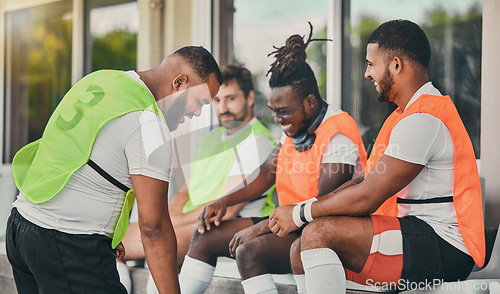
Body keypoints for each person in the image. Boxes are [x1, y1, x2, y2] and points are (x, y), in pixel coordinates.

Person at [268, 19, 486, 294]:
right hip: (417, 234)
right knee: (299, 248)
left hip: (446, 245)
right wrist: (304, 212)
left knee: (317, 234)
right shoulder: (405, 115)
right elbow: (364, 182)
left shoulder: (423, 119)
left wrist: (299, 214)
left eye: (371, 64)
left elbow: (368, 196)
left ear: (396, 65)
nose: (366, 74)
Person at [6, 46, 222, 294]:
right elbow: (154, 229)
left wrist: (112, 234)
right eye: (201, 101)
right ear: (180, 83)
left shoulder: (100, 80)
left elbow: (85, 156)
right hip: (67, 244)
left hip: (22, 227)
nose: (197, 113)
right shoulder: (148, 124)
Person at [178, 24, 367, 294]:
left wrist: (260, 229)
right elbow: (267, 173)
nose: (278, 120)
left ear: (310, 103)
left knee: (249, 251)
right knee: (205, 235)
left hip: (320, 230)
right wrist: (225, 200)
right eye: (273, 112)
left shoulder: (338, 136)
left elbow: (322, 207)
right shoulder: (295, 126)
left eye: (283, 112)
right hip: (289, 222)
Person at [118, 64, 276, 287]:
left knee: (144, 247)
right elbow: (184, 192)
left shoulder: (257, 141)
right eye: (218, 101)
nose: (223, 107)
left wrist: (171, 222)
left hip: (223, 227)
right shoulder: (213, 139)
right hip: (189, 224)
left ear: (250, 98)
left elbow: (228, 209)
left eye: (231, 99)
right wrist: (171, 216)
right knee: (114, 240)